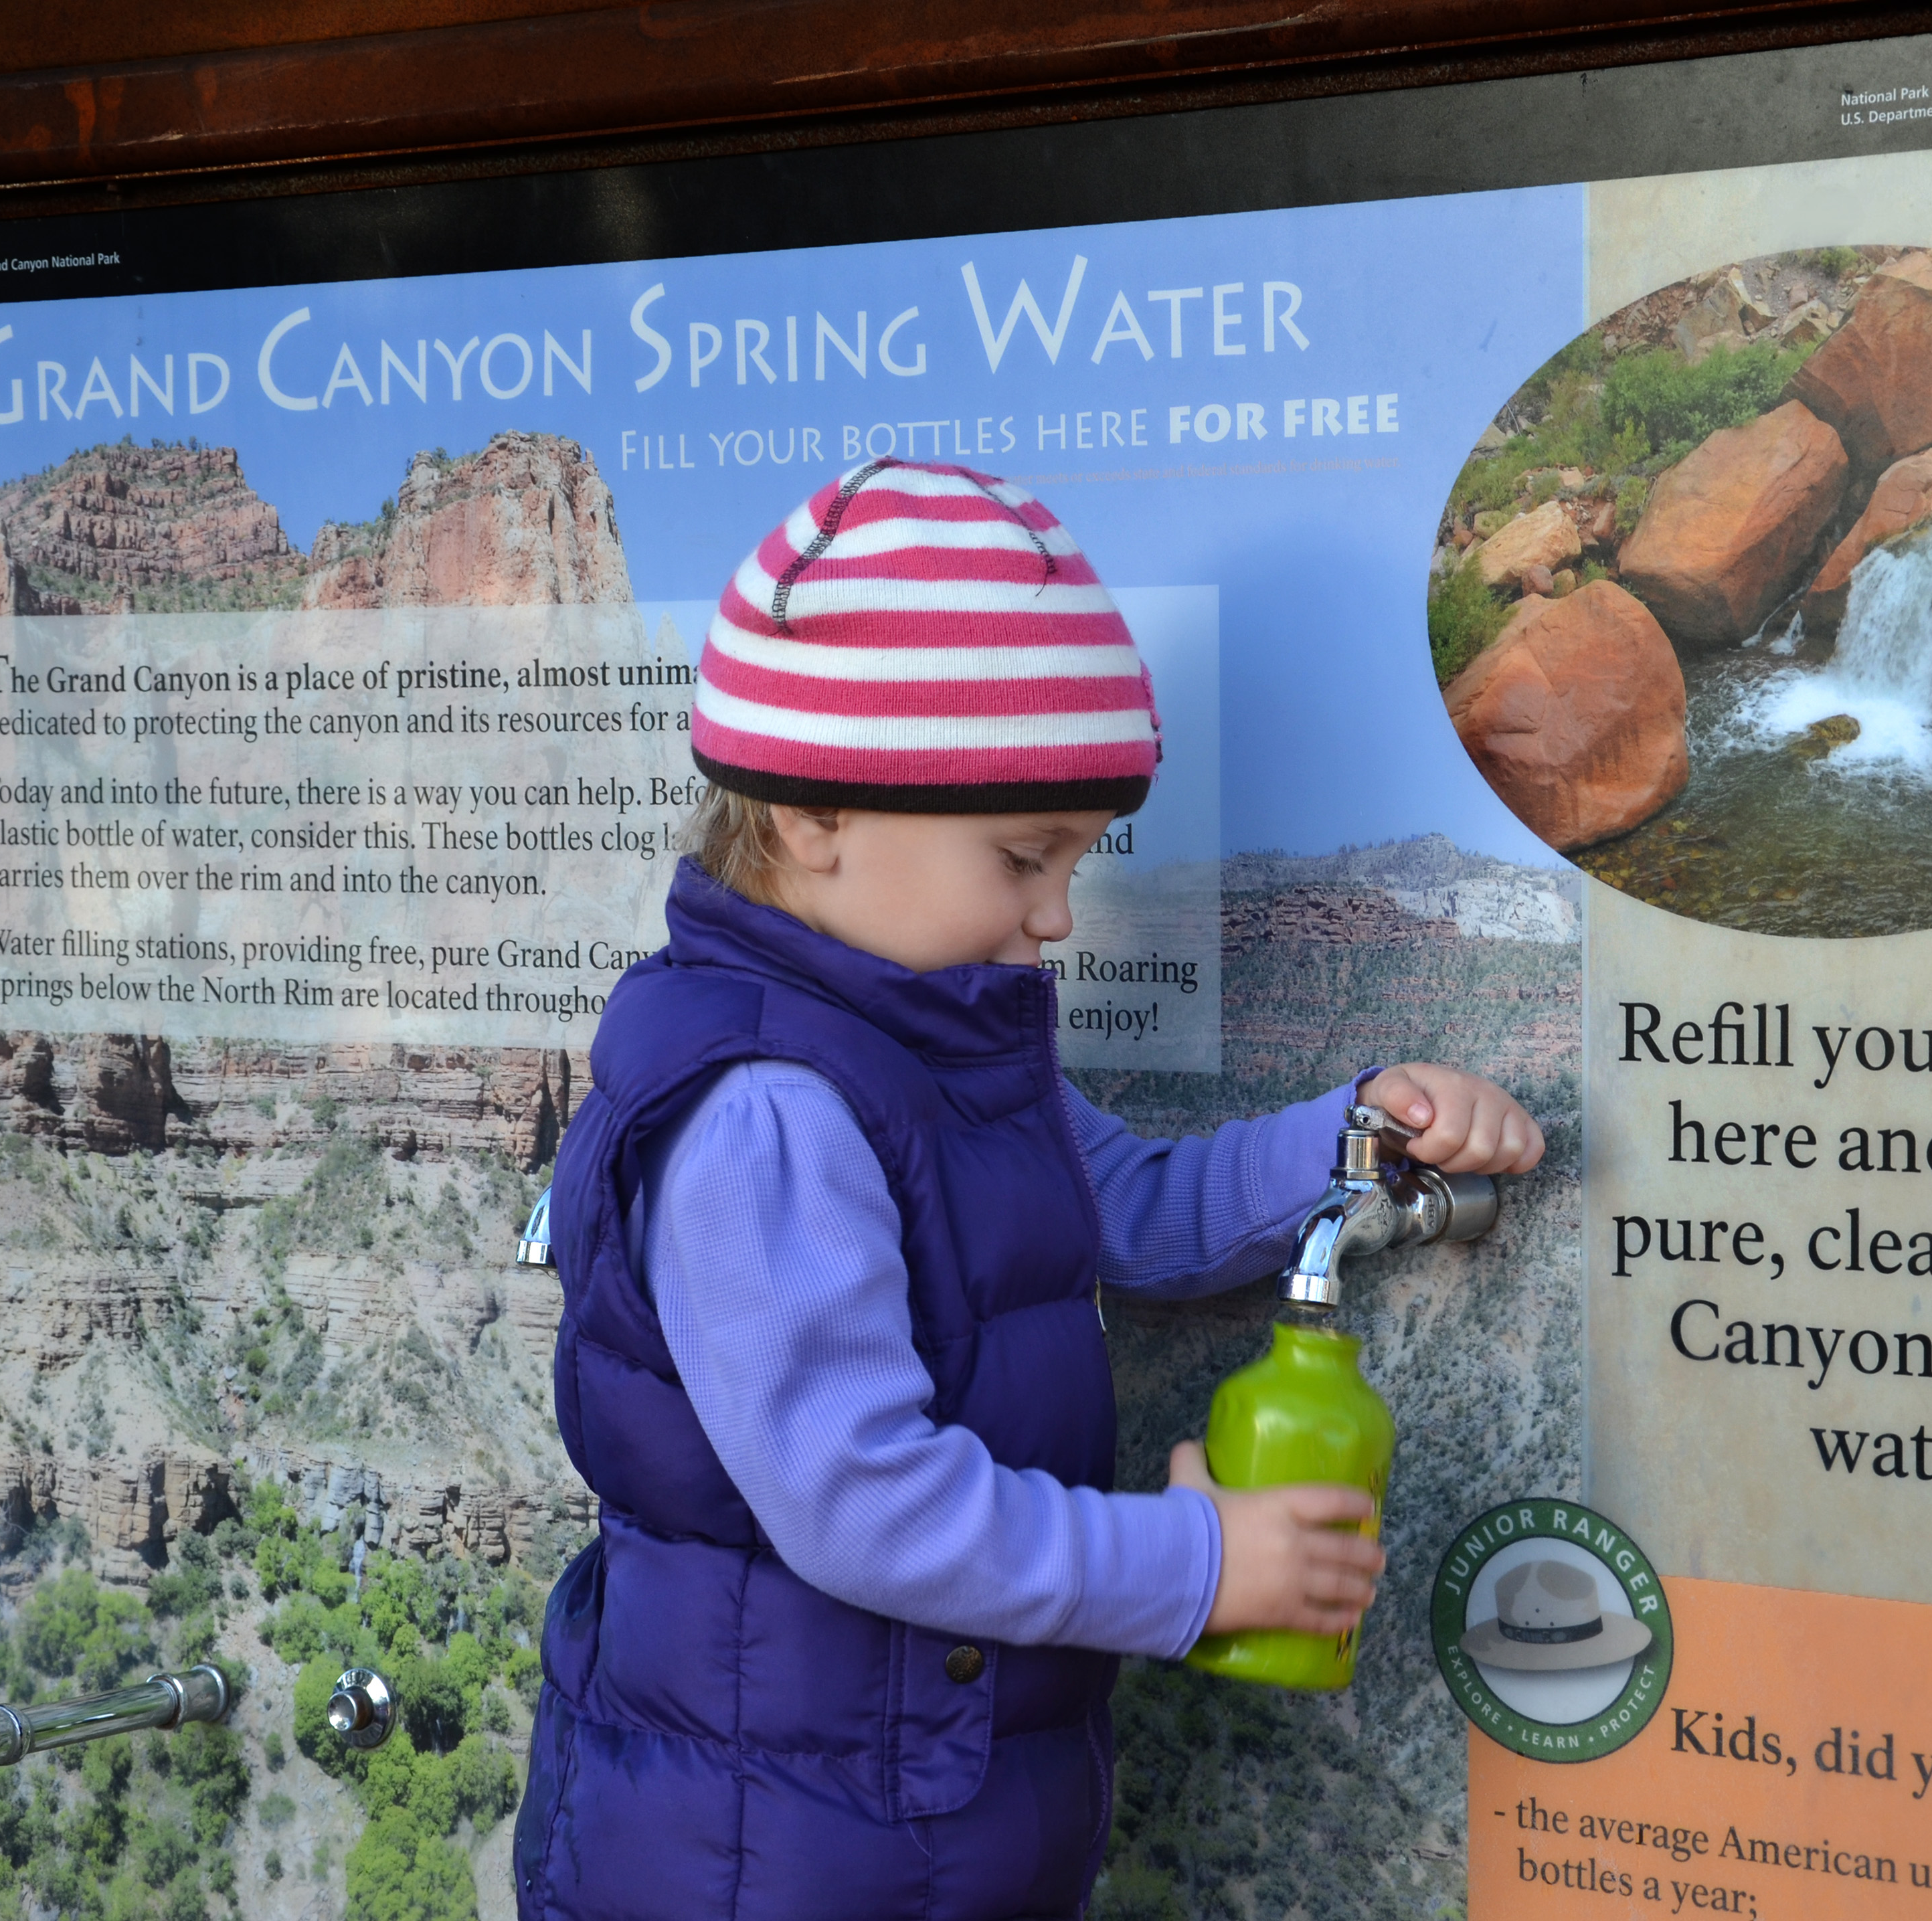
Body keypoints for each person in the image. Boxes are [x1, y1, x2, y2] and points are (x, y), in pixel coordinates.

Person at [515, 458, 1543, 1921]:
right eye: (1022, 857)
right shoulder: (766, 1111)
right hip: (768, 1858)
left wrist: (1353, 1132)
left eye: (1073, 858)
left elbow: (1119, 1199)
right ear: (814, 814)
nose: (1056, 914)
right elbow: (864, 1502)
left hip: (905, 1814)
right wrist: (1191, 1564)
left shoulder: (920, 1029)